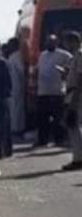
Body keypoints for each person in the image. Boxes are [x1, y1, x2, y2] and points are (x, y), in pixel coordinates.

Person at [36, 34, 73, 147]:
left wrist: (64, 72)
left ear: (56, 43)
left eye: (51, 42)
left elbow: (72, 69)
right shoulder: (42, 55)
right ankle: (42, 140)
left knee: (58, 118)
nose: (49, 44)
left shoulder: (64, 55)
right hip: (43, 91)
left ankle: (59, 140)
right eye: (48, 42)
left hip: (57, 92)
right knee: (42, 118)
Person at [62, 31, 82, 171]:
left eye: (67, 42)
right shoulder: (75, 56)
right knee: (73, 127)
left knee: (73, 126)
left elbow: (80, 79)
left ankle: (78, 159)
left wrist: (74, 101)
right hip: (72, 93)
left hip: (77, 94)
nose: (66, 45)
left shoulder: (80, 55)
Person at [7, 37, 27, 142]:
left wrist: (24, 82)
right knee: (15, 107)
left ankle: (18, 128)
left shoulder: (17, 56)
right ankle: (15, 127)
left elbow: (21, 70)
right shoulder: (13, 56)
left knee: (18, 107)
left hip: (17, 85)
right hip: (14, 85)